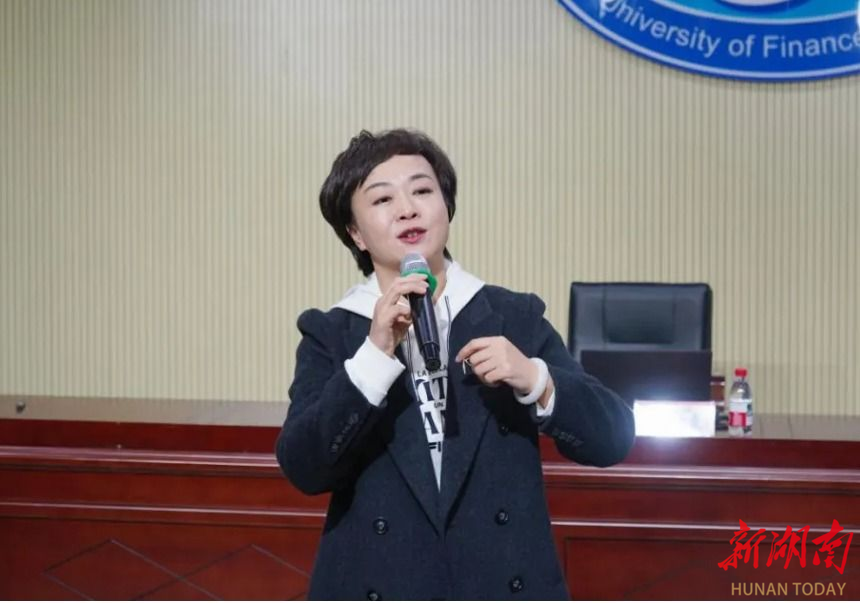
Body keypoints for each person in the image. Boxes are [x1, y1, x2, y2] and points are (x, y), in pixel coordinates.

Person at [276, 129, 635, 600]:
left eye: (423, 191)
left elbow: (613, 437)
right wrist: (373, 358)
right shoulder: (332, 332)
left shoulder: (512, 315)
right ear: (355, 233)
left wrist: (536, 380)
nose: (408, 209)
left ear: (447, 205)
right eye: (383, 199)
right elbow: (304, 468)